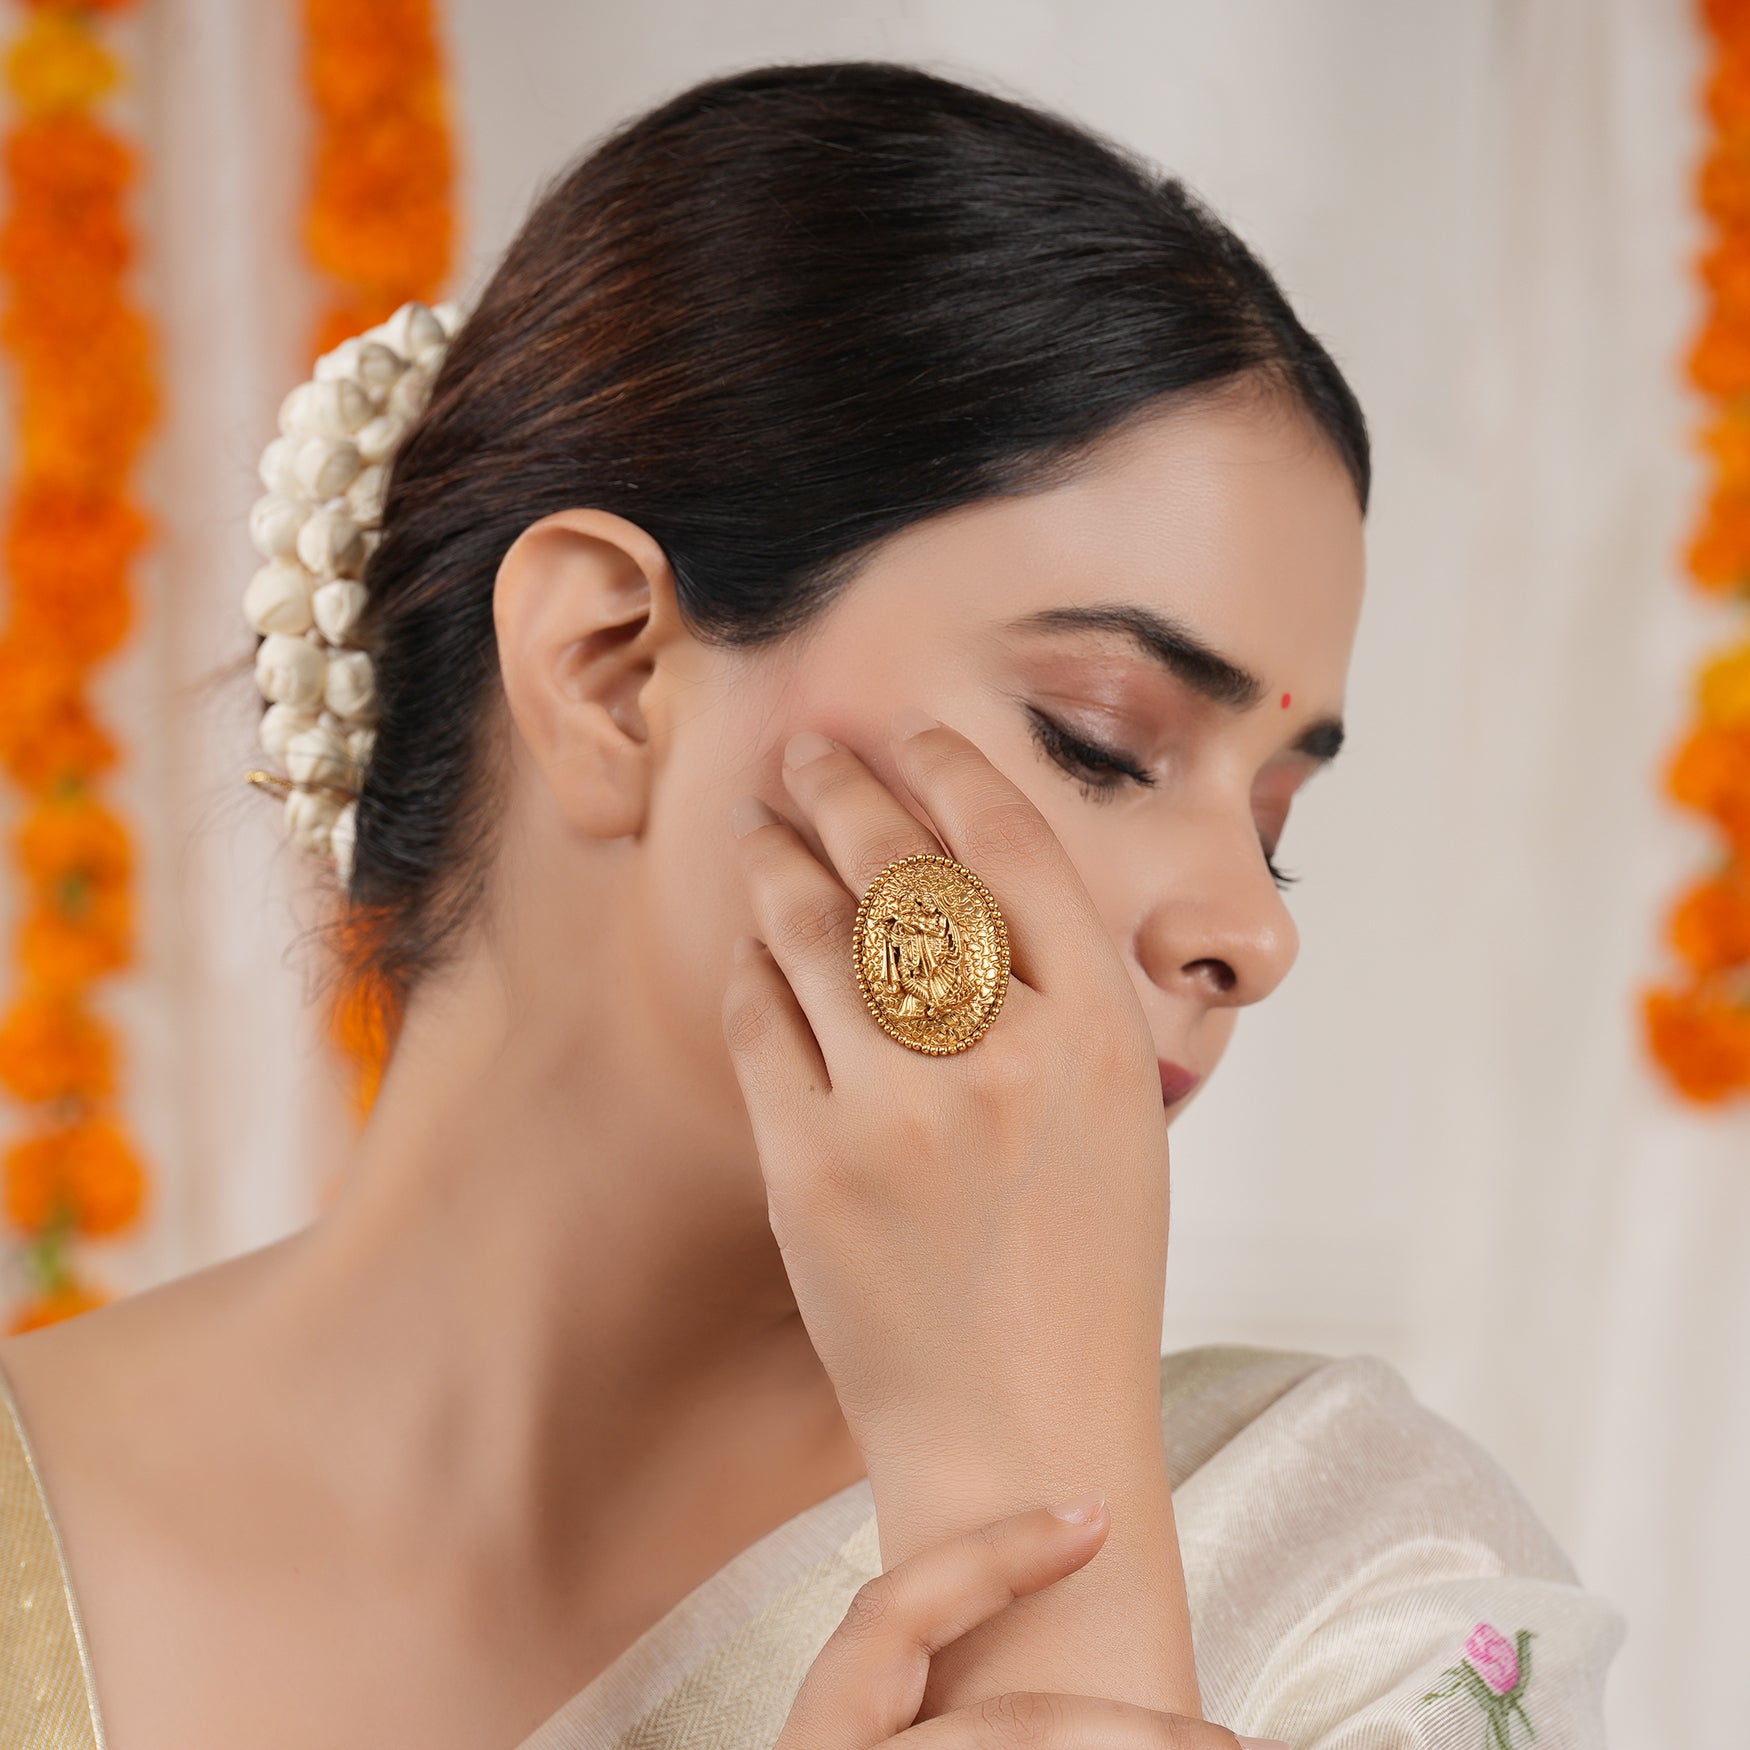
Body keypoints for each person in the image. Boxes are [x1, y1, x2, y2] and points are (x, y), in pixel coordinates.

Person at [0, 59, 1624, 1750]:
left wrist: (1028, 1498)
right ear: (608, 669)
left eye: (1272, 827)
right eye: (1101, 739)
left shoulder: (1366, 1583)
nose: (1254, 930)